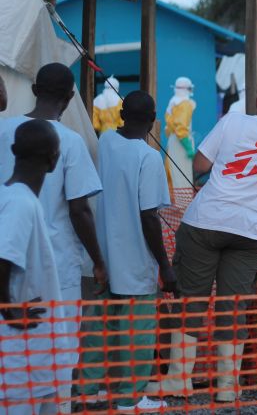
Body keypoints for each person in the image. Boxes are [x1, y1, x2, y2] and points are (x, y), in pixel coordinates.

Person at [146, 80, 257, 402]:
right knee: (233, 304)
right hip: (250, 230)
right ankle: (228, 385)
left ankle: (178, 379)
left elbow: (200, 164)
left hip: (205, 223)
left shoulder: (232, 121)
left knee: (191, 300)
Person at [0, 63, 105, 414]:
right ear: (71, 96)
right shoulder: (69, 141)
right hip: (56, 270)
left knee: (16, 358)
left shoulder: (4, 130)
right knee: (55, 359)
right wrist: (99, 261)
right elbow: (80, 210)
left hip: (16, 274)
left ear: (34, 90)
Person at [76, 91, 174, 412]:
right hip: (134, 261)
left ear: (121, 115)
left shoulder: (105, 140)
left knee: (98, 328)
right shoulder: (149, 158)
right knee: (137, 334)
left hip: (102, 257)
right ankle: (129, 398)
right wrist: (165, 265)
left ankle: (88, 391)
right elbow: (149, 216)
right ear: (153, 120)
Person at [0, 119, 62, 415]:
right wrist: (9, 308)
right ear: (53, 160)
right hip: (22, 354)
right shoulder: (21, 203)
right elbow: (2, 256)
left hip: (33, 353)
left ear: (14, 151)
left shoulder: (10, 196)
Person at [164, 76, 196, 191]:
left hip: (172, 141)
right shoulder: (185, 104)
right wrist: (188, 146)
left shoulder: (173, 102)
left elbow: (169, 127)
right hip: (181, 143)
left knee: (172, 174)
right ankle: (183, 203)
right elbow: (181, 128)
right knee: (183, 178)